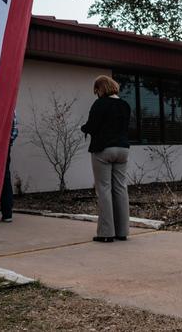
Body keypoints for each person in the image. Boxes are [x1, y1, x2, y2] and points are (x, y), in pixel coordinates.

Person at [81, 75, 131, 243]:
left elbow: (92, 126)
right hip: (123, 149)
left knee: (103, 189)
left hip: (103, 149)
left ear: (100, 89)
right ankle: (122, 231)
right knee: (120, 189)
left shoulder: (100, 104)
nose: (96, 93)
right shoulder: (125, 105)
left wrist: (84, 128)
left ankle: (106, 233)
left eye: (96, 90)